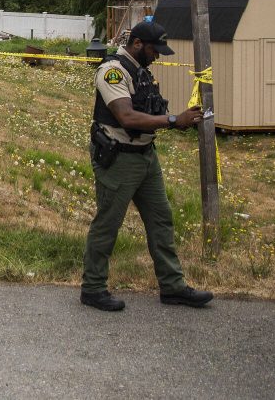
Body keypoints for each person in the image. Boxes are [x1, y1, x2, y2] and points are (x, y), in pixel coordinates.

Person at [80, 20, 214, 312]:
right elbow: (126, 117)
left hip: (145, 156)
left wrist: (177, 120)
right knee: (108, 222)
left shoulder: (141, 71)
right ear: (138, 44)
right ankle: (92, 288)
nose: (157, 56)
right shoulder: (112, 71)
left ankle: (173, 286)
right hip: (119, 158)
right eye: (154, 50)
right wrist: (171, 120)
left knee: (161, 219)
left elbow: (148, 109)